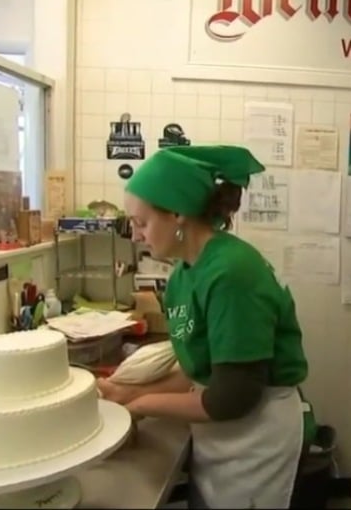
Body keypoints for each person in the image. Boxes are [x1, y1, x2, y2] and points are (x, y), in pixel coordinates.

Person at [97, 145, 309, 509]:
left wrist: (144, 403)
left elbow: (233, 395)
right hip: (222, 433)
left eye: (141, 222)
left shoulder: (231, 273)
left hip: (256, 437)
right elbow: (201, 372)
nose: (134, 235)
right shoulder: (183, 273)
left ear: (178, 213)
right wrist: (127, 394)